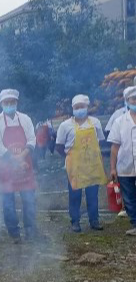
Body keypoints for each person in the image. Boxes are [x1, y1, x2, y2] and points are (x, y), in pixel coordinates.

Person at [0, 89, 39, 243]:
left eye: (12, 102)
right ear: (1, 103)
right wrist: (14, 159)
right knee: (8, 202)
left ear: (16, 103)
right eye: (6, 102)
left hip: (25, 165)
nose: (9, 105)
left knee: (29, 199)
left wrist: (21, 156)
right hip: (6, 167)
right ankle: (14, 233)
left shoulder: (25, 119)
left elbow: (32, 139)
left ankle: (30, 230)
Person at [55, 95, 107, 233]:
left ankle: (94, 220)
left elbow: (100, 142)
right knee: (75, 194)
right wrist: (70, 157)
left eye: (82, 107)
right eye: (76, 107)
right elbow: (59, 146)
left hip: (92, 165)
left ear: (87, 107)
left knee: (92, 194)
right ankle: (75, 221)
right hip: (75, 167)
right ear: (73, 108)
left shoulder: (95, 123)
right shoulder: (65, 125)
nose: (79, 109)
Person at [108, 86, 136, 235]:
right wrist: (113, 168)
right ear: (127, 101)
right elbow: (114, 147)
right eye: (134, 99)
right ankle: (135, 223)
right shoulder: (119, 121)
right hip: (125, 166)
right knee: (129, 197)